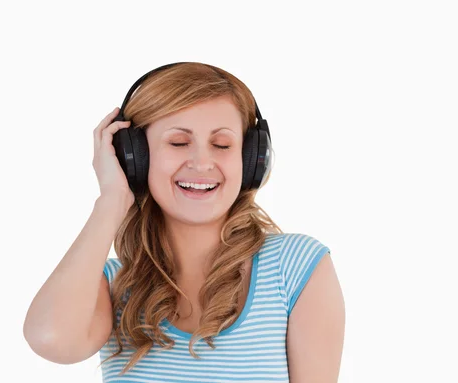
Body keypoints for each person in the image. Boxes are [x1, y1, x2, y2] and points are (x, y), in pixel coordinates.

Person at [23, 62, 345, 382]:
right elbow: (50, 338)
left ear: (251, 160)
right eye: (178, 143)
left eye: (222, 145)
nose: (202, 162)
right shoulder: (110, 285)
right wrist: (111, 200)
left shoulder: (295, 268)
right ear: (134, 156)